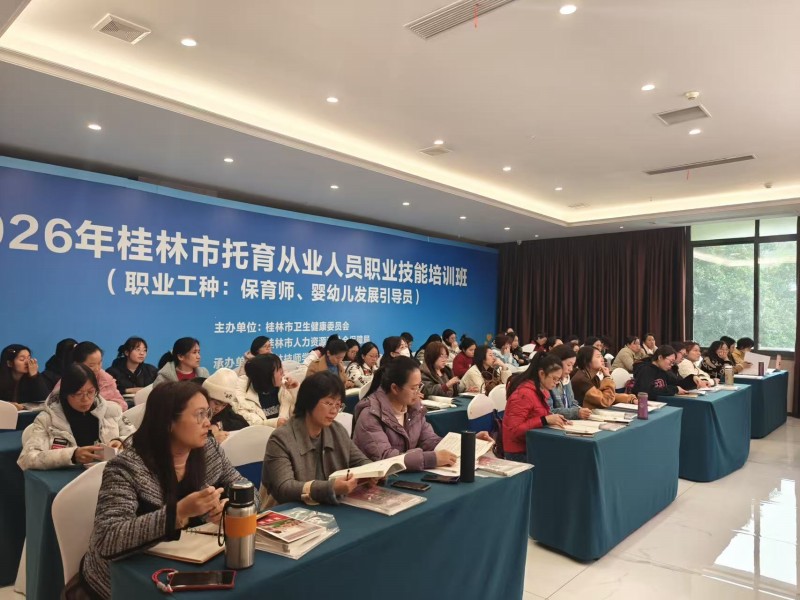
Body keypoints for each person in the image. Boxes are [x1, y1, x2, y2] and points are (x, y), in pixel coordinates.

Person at [79, 381, 253, 599]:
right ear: (169, 422)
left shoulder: (209, 450)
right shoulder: (126, 467)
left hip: (189, 562)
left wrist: (232, 508)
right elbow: (107, 539)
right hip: (125, 579)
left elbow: (248, 490)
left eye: (208, 413)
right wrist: (177, 513)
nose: (208, 423)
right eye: (199, 415)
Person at [352, 357, 492, 471]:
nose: (418, 392)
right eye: (413, 388)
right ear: (395, 388)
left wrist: (468, 442)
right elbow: (386, 458)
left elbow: (429, 441)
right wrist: (431, 459)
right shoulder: (370, 414)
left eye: (419, 386)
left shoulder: (414, 408)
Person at [260, 371, 373, 507]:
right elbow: (284, 488)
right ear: (309, 402)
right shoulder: (281, 439)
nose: (334, 411)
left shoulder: (337, 431)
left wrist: (373, 472)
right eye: (329, 403)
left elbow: (360, 461)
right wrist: (330, 487)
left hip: (326, 506)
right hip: (290, 511)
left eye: (338, 405)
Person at [17, 364, 134, 470]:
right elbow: (26, 459)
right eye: (78, 394)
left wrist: (121, 441)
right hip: (68, 482)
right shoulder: (47, 419)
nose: (86, 399)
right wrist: (72, 455)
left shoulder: (111, 410)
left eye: (91, 392)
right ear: (65, 393)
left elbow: (138, 438)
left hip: (109, 475)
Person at [502, 353, 569, 462]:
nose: (556, 383)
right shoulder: (523, 394)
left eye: (558, 380)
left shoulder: (539, 391)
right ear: (542, 374)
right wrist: (544, 420)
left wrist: (554, 419)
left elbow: (536, 415)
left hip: (531, 445)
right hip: (519, 452)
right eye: (554, 379)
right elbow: (514, 431)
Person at [236, 354, 298, 427]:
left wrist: (295, 389)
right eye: (279, 371)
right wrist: (274, 423)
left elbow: (302, 412)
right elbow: (250, 422)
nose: (283, 373)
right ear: (266, 375)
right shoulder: (243, 394)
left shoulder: (285, 387)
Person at [65, 342, 126, 410]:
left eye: (99, 363)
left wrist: (110, 407)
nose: (97, 369)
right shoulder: (68, 382)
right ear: (77, 364)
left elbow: (122, 404)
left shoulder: (106, 379)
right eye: (91, 365)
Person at [571, 346, 637, 408]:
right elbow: (605, 401)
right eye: (598, 356)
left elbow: (610, 396)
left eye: (601, 356)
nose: (602, 359)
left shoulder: (594, 378)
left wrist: (631, 399)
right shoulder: (581, 380)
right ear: (587, 361)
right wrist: (607, 377)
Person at [633, 346, 698, 400]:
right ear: (660, 357)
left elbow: (677, 383)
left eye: (673, 363)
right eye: (671, 361)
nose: (672, 365)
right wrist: (674, 389)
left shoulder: (664, 370)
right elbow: (646, 391)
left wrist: (693, 379)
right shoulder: (645, 369)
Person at [200, 369, 249, 443]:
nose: (219, 409)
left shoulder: (224, 408)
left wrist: (218, 425)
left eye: (224, 405)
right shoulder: (191, 404)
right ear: (206, 397)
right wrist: (211, 438)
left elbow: (243, 424)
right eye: (216, 403)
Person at [549, 345, 592, 420]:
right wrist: (576, 413)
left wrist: (580, 411)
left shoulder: (566, 379)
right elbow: (549, 411)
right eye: (568, 365)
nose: (571, 369)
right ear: (556, 362)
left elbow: (572, 402)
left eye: (572, 365)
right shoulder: (547, 382)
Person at [0, 344, 49, 409]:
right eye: (22, 359)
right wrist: (9, 405)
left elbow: (44, 399)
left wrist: (35, 376)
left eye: (29, 358)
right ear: (9, 363)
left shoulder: (34, 377)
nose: (27, 362)